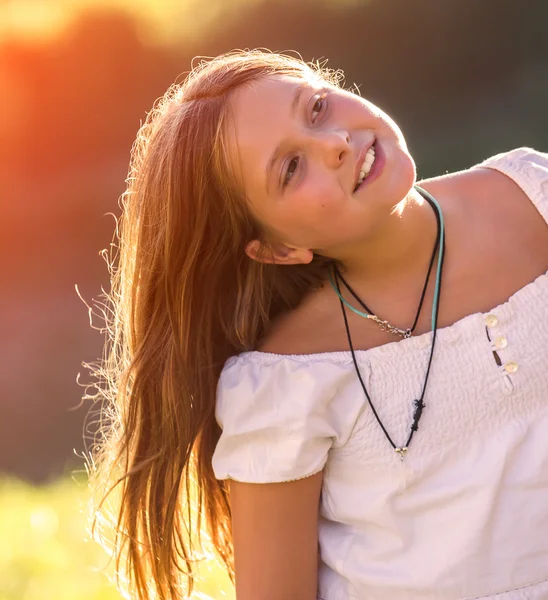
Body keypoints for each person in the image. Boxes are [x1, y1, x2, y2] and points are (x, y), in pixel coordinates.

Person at [86, 49, 548, 600]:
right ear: (279, 249)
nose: (335, 143)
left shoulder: (533, 193)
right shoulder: (287, 381)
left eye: (317, 107)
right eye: (290, 168)